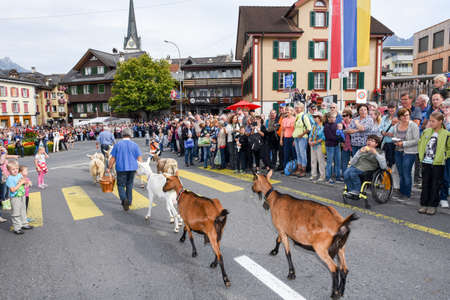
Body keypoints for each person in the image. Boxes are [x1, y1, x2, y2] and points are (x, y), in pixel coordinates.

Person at [418, 112, 450, 215]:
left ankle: (432, 205)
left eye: (433, 121)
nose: (430, 123)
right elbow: (421, 143)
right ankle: (424, 204)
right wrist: (421, 155)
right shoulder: (426, 132)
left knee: (435, 185)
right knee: (425, 183)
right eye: (430, 121)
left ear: (440, 122)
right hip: (426, 162)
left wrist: (444, 156)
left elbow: (449, 148)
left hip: (438, 164)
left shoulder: (446, 134)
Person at [107, 128, 142, 211]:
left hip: (121, 168)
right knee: (129, 185)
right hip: (132, 168)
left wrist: (109, 168)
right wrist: (139, 168)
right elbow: (139, 158)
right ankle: (129, 201)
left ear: (122, 135)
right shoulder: (134, 145)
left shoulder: (118, 144)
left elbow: (113, 158)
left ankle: (124, 199)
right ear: (130, 135)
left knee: (121, 185)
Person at [393, 108, 420, 199]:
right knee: (400, 173)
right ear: (399, 117)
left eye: (407, 115)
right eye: (403, 115)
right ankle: (402, 191)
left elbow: (417, 140)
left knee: (406, 173)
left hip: (409, 152)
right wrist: (395, 141)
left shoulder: (413, 125)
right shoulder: (396, 125)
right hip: (398, 151)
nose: (406, 117)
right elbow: (395, 137)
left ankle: (407, 193)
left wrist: (403, 143)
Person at [6, 160, 33, 235]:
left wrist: (27, 183)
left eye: (16, 169)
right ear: (9, 170)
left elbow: (24, 182)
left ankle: (24, 224)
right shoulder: (9, 179)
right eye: (13, 169)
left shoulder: (19, 175)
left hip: (22, 195)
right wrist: (21, 183)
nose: (15, 171)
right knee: (16, 213)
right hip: (15, 198)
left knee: (23, 210)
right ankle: (17, 228)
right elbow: (13, 189)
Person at [292, 103, 311, 177]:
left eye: (298, 108)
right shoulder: (297, 116)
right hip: (296, 137)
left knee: (303, 154)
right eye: (296, 108)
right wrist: (295, 138)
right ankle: (299, 169)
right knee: (298, 154)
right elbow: (296, 128)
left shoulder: (304, 116)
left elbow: (309, 128)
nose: (296, 109)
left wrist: (302, 135)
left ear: (302, 108)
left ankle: (303, 170)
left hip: (302, 138)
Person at [324, 112, 341, 183]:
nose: (333, 119)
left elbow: (340, 133)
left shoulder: (336, 125)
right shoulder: (326, 126)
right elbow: (329, 136)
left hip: (336, 145)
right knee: (329, 162)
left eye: (334, 117)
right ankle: (328, 177)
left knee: (338, 161)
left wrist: (340, 137)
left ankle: (338, 177)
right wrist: (339, 138)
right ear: (328, 118)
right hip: (330, 146)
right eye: (332, 117)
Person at [380, 102, 398, 168]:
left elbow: (401, 129)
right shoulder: (384, 117)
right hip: (385, 142)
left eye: (392, 108)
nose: (391, 109)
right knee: (385, 161)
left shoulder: (398, 118)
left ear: (396, 108)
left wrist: (393, 134)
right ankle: (387, 175)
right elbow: (380, 127)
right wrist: (382, 132)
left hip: (394, 143)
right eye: (389, 108)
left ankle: (392, 176)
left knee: (393, 162)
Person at [309, 112, 325, 182]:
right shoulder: (313, 126)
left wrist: (315, 142)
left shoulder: (322, 126)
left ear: (320, 118)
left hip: (319, 145)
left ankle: (322, 175)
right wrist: (309, 141)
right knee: (313, 160)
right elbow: (310, 134)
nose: (314, 118)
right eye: (314, 117)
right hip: (312, 144)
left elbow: (323, 137)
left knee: (321, 161)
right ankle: (313, 174)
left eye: (316, 117)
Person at [341, 109, 353, 175]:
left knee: (354, 162)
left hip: (352, 145)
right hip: (345, 145)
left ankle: (352, 175)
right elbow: (339, 134)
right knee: (344, 162)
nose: (344, 117)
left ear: (349, 116)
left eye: (345, 115)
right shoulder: (341, 123)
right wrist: (341, 142)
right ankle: (344, 175)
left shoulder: (353, 122)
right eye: (343, 115)